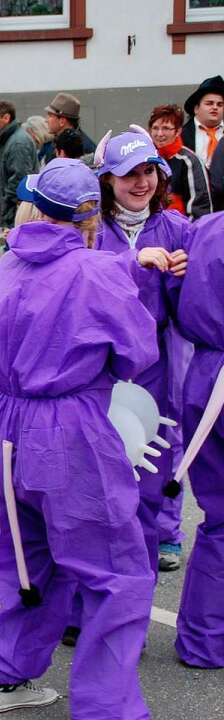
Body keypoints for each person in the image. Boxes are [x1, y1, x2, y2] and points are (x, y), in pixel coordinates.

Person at [0, 157, 171, 718]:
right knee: (115, 567)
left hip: (5, 425)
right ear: (91, 212)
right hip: (71, 427)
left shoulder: (8, 262)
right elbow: (138, 354)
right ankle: (106, 705)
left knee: (26, 553)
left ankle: (7, 676)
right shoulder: (97, 270)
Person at [94, 126, 190, 581]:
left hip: (157, 360)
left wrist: (191, 272)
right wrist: (132, 262)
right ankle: (109, 560)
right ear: (108, 180)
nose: (141, 183)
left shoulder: (174, 226)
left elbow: (207, 288)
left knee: (159, 450)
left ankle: (156, 541)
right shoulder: (92, 228)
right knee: (103, 460)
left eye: (148, 171)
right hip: (100, 366)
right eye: (129, 173)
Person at [172, 202, 224, 668]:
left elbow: (174, 291)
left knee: (219, 517)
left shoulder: (203, 228)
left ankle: (203, 638)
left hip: (203, 374)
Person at [148, 104, 213, 218]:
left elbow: (200, 209)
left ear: (178, 131)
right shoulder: (145, 158)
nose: (159, 134)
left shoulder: (189, 161)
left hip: (181, 232)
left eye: (166, 128)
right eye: (155, 128)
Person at [0, 101, 38, 231]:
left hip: (17, 218)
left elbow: (18, 181)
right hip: (16, 214)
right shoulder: (13, 140)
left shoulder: (17, 143)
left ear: (6, 118)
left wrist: (8, 215)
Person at [181, 74, 224, 168]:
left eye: (220, 104)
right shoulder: (181, 135)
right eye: (209, 103)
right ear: (196, 109)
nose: (215, 107)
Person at [38, 92, 96, 163]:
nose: (46, 120)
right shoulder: (55, 142)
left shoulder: (85, 149)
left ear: (62, 121)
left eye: (50, 116)